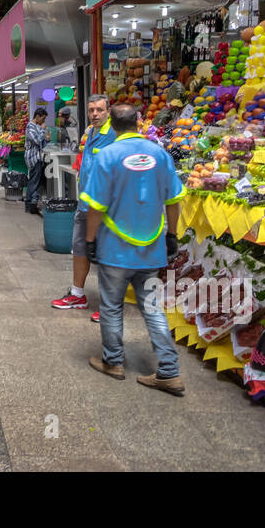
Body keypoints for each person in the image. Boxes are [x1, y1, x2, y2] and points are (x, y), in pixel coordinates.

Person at [81, 104, 186, 396]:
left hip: (115, 248)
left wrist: (90, 241)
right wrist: (172, 235)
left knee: (112, 306)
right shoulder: (160, 154)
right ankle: (169, 371)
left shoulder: (108, 156)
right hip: (151, 248)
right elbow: (174, 199)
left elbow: (95, 206)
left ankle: (113, 362)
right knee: (152, 308)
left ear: (112, 126)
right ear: (139, 122)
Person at [52, 94, 116, 319]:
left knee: (106, 254)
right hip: (85, 203)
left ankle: (109, 306)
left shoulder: (114, 135)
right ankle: (77, 294)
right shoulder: (91, 132)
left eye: (99, 110)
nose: (95, 114)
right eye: (91, 110)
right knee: (79, 248)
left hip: (106, 208)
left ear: (108, 111)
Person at [23, 107, 49, 215]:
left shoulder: (36, 127)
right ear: (37, 116)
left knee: (36, 181)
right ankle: (29, 204)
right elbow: (37, 140)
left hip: (37, 157)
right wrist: (43, 131)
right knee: (33, 181)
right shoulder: (30, 127)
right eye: (42, 119)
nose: (43, 122)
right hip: (33, 158)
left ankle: (33, 203)